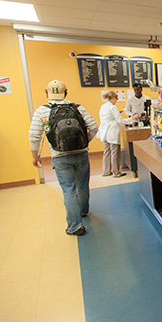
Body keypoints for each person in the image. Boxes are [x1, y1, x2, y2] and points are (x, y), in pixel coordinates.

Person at [29, 79, 98, 236]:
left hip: (60, 156)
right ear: (66, 92)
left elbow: (34, 136)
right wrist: (84, 142)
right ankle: (83, 211)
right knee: (82, 185)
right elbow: (93, 127)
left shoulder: (42, 111)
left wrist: (35, 157)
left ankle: (75, 226)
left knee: (68, 190)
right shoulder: (78, 108)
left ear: (47, 93)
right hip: (81, 154)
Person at [97, 91, 126, 178]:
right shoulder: (113, 107)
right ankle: (116, 172)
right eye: (116, 98)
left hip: (104, 132)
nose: (116, 100)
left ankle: (106, 171)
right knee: (115, 152)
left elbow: (108, 117)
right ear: (113, 98)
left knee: (107, 151)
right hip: (112, 132)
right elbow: (120, 121)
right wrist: (133, 119)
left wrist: (118, 112)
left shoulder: (103, 106)